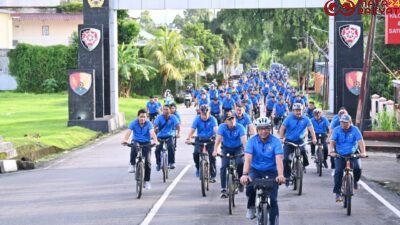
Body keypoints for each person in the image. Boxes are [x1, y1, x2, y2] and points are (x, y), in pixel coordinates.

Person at [240, 117, 285, 223]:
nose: (264, 131)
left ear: (270, 129)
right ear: (257, 129)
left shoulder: (276, 142)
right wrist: (245, 174)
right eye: (261, 129)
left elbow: (279, 159)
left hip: (271, 171)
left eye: (266, 128)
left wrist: (281, 175)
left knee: (273, 200)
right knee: (250, 186)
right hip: (255, 170)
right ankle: (251, 206)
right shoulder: (251, 141)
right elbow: (248, 159)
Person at [329, 114, 367, 202]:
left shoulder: (355, 130)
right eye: (342, 122)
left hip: (353, 154)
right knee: (338, 172)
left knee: (358, 168)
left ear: (350, 122)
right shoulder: (336, 130)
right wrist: (331, 151)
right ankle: (338, 193)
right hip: (340, 154)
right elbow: (332, 142)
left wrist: (363, 152)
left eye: (346, 122)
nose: (344, 124)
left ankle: (355, 182)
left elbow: (360, 142)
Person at [279, 103, 316, 185]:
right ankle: (287, 176)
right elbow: (282, 128)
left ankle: (304, 165)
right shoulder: (288, 119)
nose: (298, 112)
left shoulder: (306, 119)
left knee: (303, 151)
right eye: (296, 110)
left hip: (300, 140)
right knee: (286, 159)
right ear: (293, 111)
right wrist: (281, 138)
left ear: (302, 111)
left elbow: (311, 129)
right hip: (289, 140)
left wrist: (314, 138)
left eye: (300, 110)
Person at [213, 111, 247, 198]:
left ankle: (240, 181)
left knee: (240, 162)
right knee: (224, 166)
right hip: (226, 148)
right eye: (229, 119)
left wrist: (247, 152)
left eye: (233, 118)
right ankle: (223, 189)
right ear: (225, 121)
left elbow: (244, 141)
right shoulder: (222, 127)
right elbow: (218, 139)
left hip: (238, 148)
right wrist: (215, 150)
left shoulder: (240, 127)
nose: (232, 121)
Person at [122, 109, 159, 190]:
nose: (142, 118)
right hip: (136, 141)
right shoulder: (134, 123)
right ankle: (132, 164)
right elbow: (129, 132)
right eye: (141, 117)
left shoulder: (149, 123)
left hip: (146, 143)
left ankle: (147, 181)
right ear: (138, 117)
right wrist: (125, 140)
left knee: (148, 163)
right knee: (134, 146)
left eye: (144, 117)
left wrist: (155, 141)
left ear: (146, 117)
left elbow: (152, 133)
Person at [185, 104, 218, 182]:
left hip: (211, 139)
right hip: (200, 139)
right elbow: (192, 130)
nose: (204, 116)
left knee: (212, 157)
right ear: (200, 113)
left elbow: (216, 129)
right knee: (196, 153)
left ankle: (212, 175)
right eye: (203, 114)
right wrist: (188, 138)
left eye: (206, 114)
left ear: (209, 112)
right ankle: (198, 168)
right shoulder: (197, 119)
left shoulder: (213, 119)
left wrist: (218, 139)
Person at [154, 105, 181, 170]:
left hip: (170, 135)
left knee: (171, 147)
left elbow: (178, 126)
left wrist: (178, 134)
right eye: (164, 109)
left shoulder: (173, 117)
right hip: (160, 136)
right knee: (157, 150)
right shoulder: (159, 117)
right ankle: (158, 163)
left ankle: (171, 162)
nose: (165, 111)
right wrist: (154, 135)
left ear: (170, 110)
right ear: (162, 110)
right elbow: (154, 127)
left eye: (167, 109)